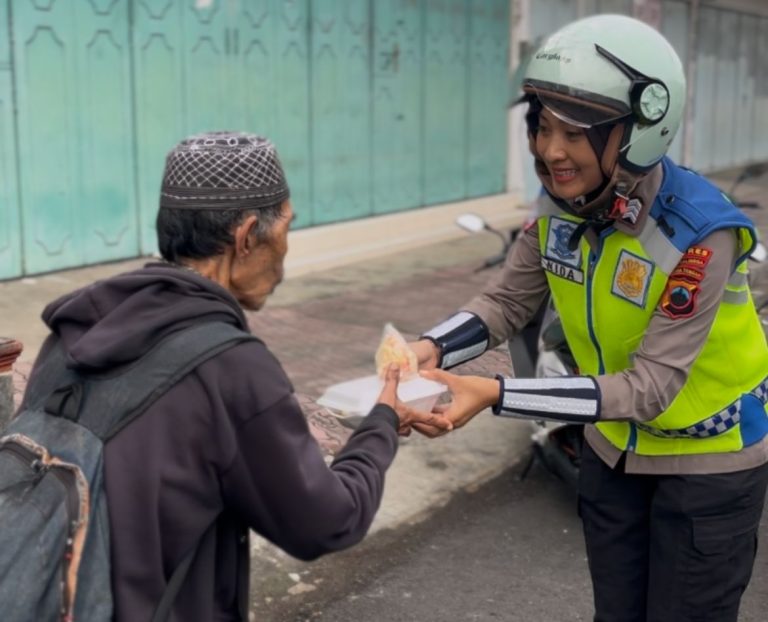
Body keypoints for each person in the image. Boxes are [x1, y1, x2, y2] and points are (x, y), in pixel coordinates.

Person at [409, 15, 768, 622]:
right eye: (543, 126)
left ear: (640, 132)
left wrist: (497, 393)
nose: (552, 151)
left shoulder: (701, 234)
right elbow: (506, 302)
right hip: (611, 455)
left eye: (576, 134)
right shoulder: (562, 207)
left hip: (706, 466)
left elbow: (652, 388)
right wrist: (431, 348)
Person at [25, 131, 451, 620]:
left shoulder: (73, 331)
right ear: (248, 235)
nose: (287, 249)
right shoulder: (231, 367)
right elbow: (326, 520)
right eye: (287, 226)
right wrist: (382, 424)